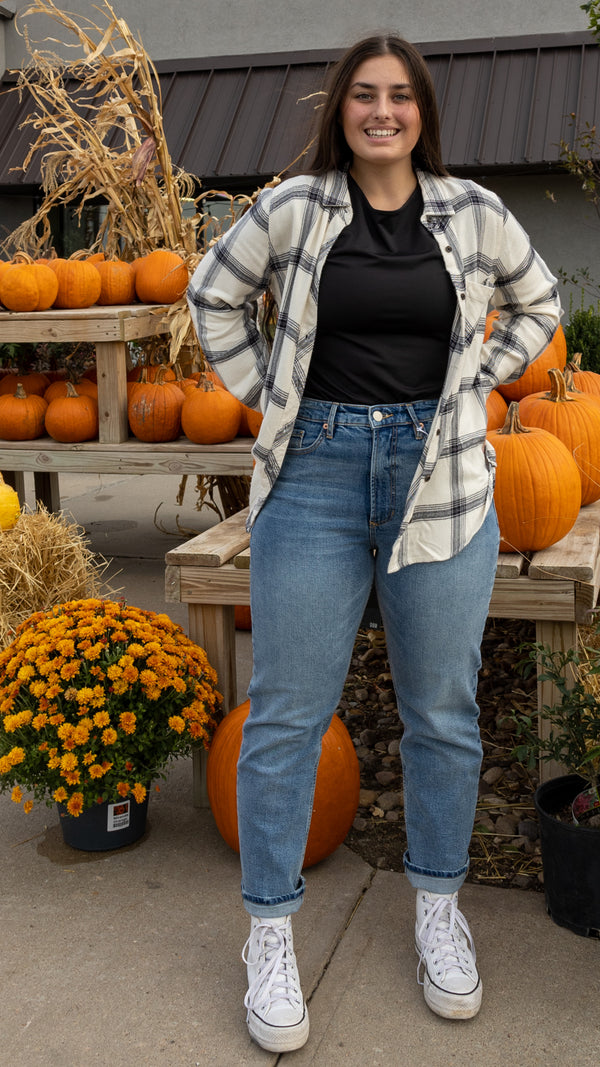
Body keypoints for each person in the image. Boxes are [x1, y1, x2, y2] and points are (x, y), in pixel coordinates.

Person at [187, 33, 561, 1053]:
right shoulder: (295, 207)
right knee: (286, 714)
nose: (382, 111)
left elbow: (541, 300)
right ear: (340, 110)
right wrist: (270, 395)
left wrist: (480, 378)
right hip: (314, 472)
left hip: (442, 477)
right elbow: (212, 291)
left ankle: (438, 908)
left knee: (441, 710)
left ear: (422, 110)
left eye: (399, 95)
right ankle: (270, 932)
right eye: (364, 95)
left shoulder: (471, 209)